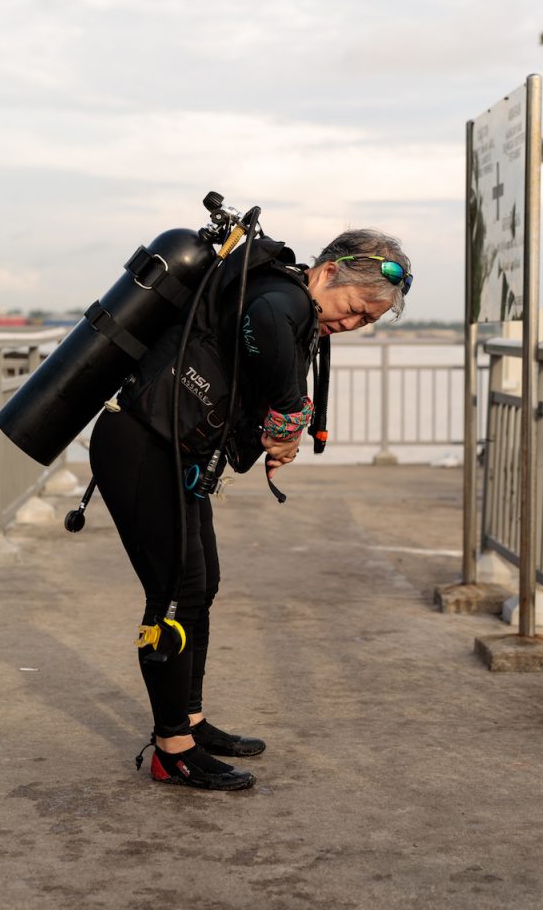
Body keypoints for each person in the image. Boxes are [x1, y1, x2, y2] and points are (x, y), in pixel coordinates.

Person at [89, 226, 412, 791]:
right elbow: (263, 324)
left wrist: (278, 426)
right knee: (173, 591)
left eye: (367, 321)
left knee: (202, 583)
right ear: (328, 272)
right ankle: (171, 750)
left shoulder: (283, 299)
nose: (353, 324)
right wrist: (288, 420)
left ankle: (190, 720)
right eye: (356, 308)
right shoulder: (283, 297)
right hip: (140, 445)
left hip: (175, 453)